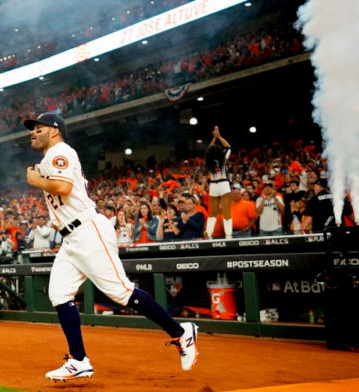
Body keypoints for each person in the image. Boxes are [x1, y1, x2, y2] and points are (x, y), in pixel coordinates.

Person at [24, 113, 198, 381]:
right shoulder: (51, 156)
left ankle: (180, 332)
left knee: (121, 293)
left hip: (87, 231)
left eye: (38, 128)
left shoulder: (61, 151)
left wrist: (37, 182)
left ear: (55, 131)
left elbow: (63, 186)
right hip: (72, 238)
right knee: (59, 294)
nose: (32, 133)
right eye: (32, 129)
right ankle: (79, 360)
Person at [204, 126, 233, 239]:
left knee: (213, 212)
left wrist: (214, 138)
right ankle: (229, 235)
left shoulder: (208, 161)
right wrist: (219, 136)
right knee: (226, 212)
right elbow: (228, 147)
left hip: (213, 185)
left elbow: (208, 149)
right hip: (223, 184)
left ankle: (208, 233)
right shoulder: (223, 159)